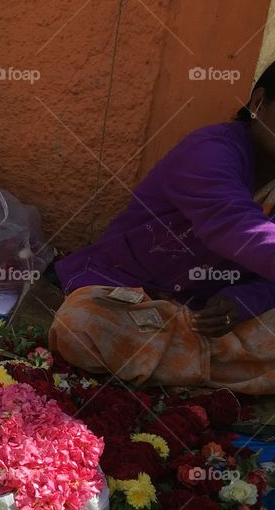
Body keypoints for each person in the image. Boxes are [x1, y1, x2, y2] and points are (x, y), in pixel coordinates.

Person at [49, 62, 275, 393]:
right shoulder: (210, 151)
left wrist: (238, 301)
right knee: (80, 325)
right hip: (133, 295)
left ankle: (180, 369)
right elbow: (238, 228)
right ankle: (216, 374)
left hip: (208, 317)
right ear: (257, 104)